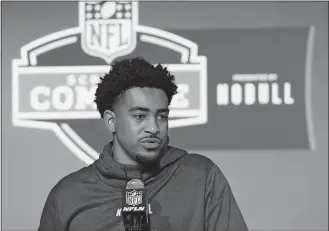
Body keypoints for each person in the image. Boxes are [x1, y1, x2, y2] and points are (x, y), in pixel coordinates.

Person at [38, 57, 248, 231]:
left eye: (162, 116)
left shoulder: (201, 177)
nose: (154, 128)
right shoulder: (67, 195)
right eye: (140, 116)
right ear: (111, 121)